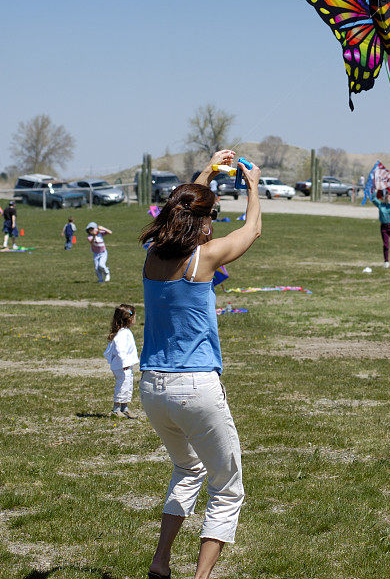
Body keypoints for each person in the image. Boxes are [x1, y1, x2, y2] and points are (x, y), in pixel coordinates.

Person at [139, 149, 261, 579]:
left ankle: (161, 561)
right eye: (211, 216)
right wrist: (252, 186)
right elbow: (253, 230)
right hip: (195, 387)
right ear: (203, 220)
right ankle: (201, 577)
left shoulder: (153, 256)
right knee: (227, 487)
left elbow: (184, 205)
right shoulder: (203, 259)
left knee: (187, 469)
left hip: (152, 387)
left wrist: (208, 171)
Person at [104, 303, 139, 418]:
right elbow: (120, 350)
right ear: (128, 319)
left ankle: (125, 408)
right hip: (121, 365)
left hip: (125, 365)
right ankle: (116, 408)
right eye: (134, 317)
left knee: (128, 385)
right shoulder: (122, 334)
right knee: (122, 385)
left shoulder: (125, 332)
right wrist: (124, 363)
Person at [371, 186, 390, 268]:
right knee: (386, 244)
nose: (387, 197)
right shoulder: (381, 205)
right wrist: (376, 190)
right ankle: (386, 261)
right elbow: (373, 199)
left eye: (388, 196)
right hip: (383, 227)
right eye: (385, 196)